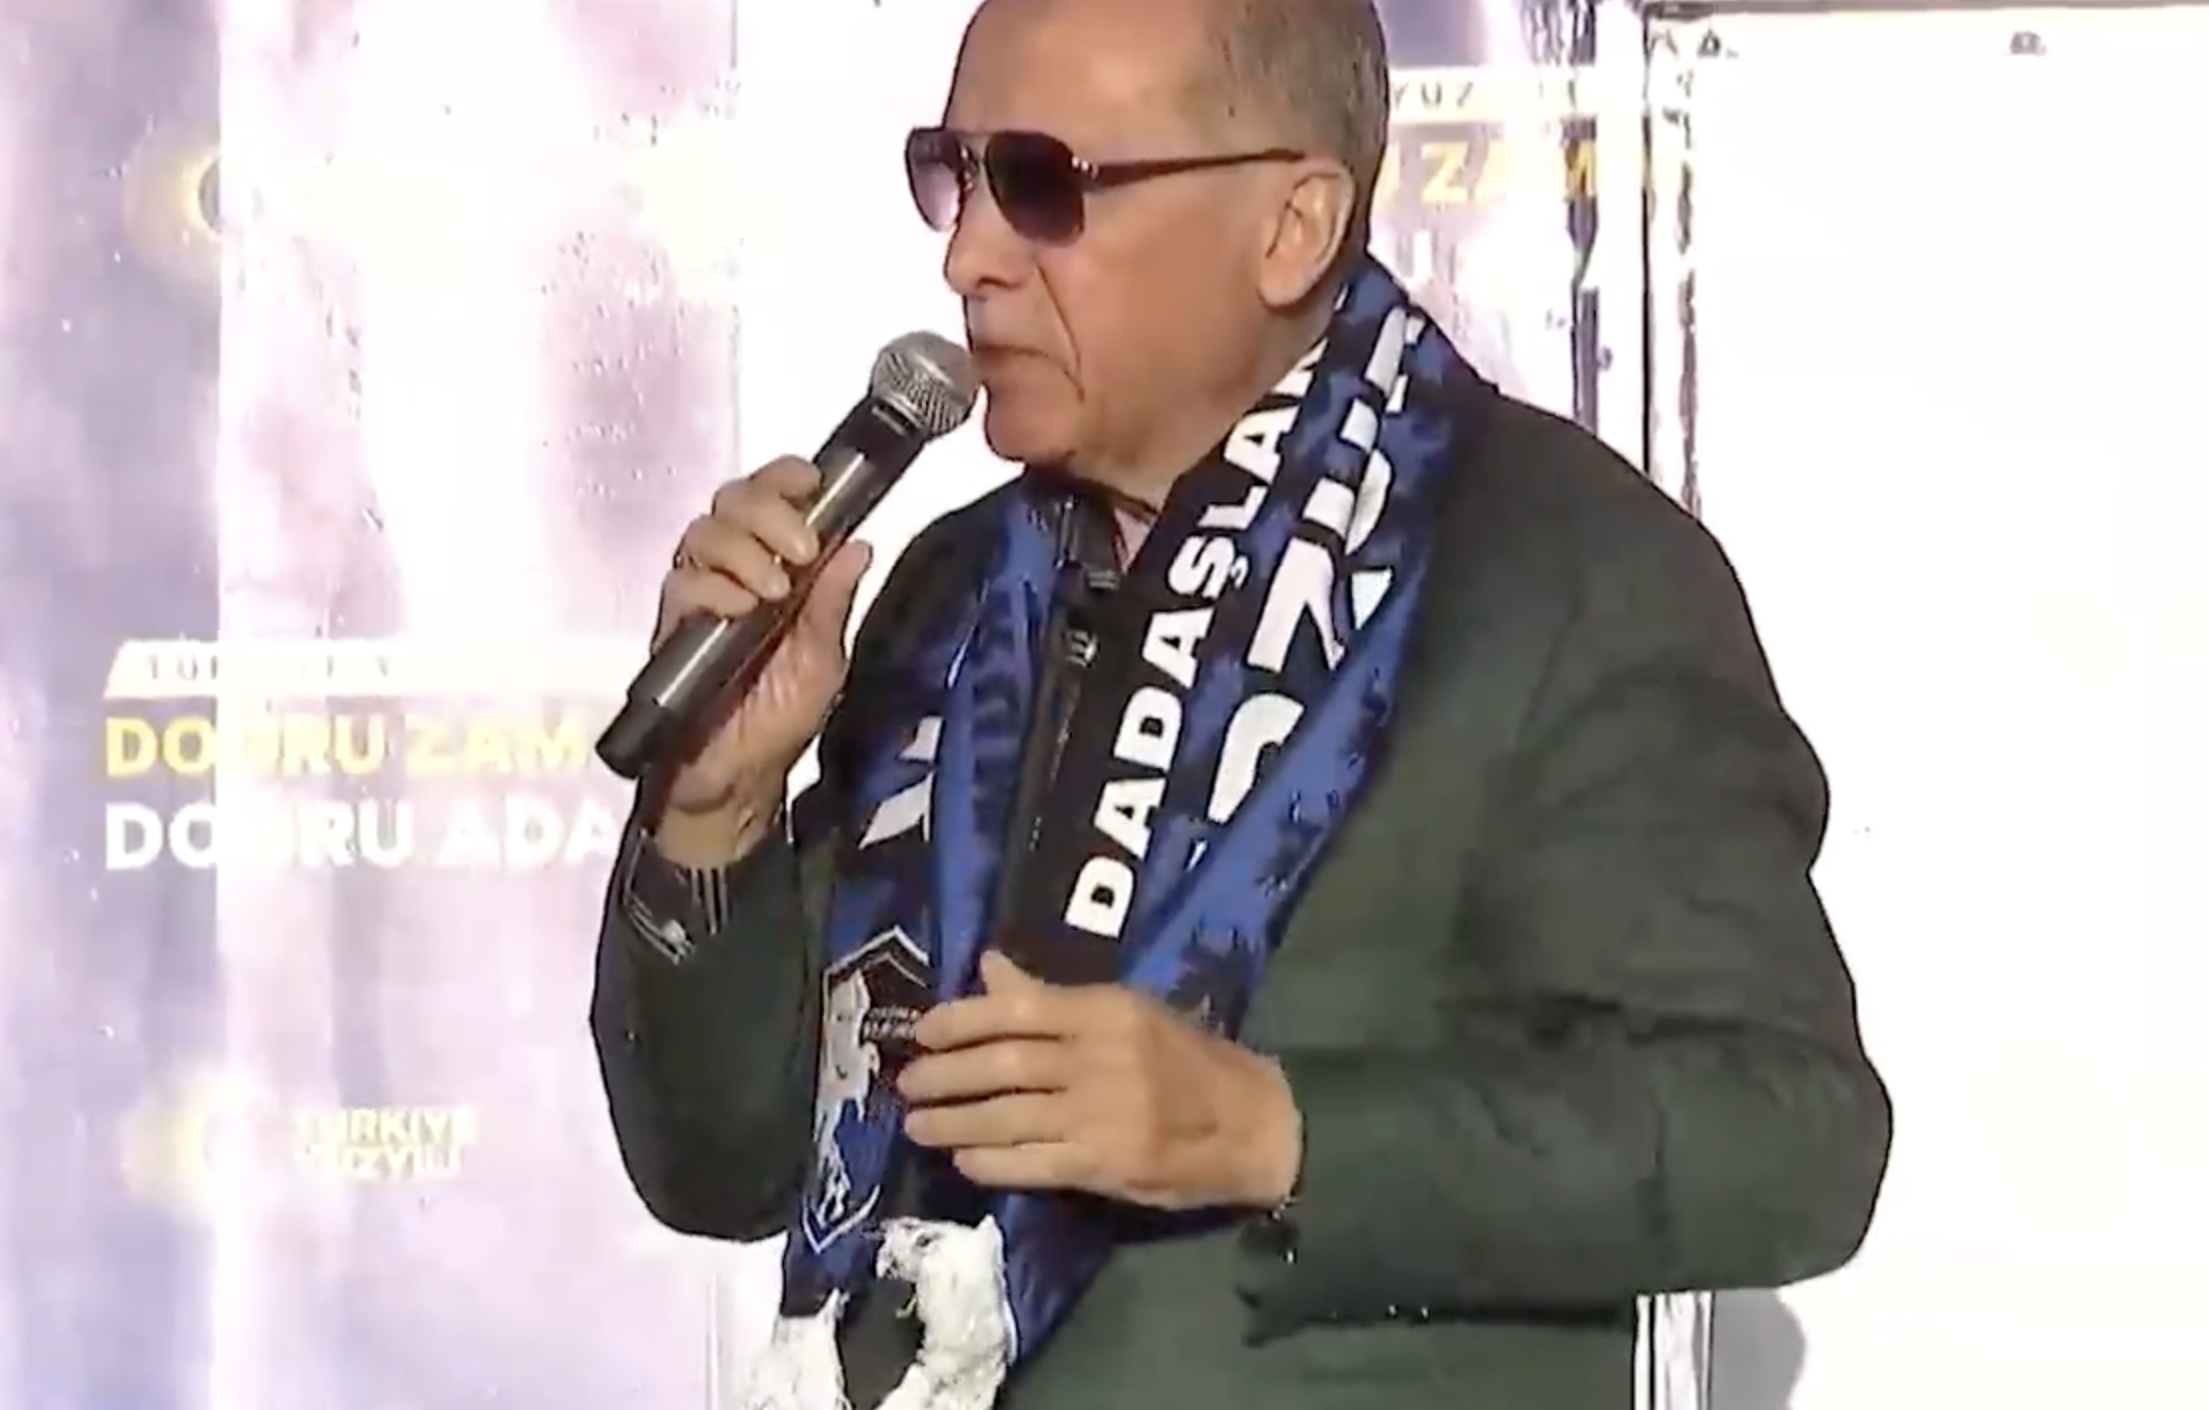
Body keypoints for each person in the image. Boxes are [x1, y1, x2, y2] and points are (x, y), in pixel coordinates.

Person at [590, 0, 1892, 1407]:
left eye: (1039, 183)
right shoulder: (947, 595)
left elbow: (1787, 1138)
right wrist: (713, 812)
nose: (968, 256)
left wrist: (1271, 1134)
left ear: (1292, 225)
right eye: (950, 174)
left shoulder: (1551, 570)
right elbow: (721, 1167)